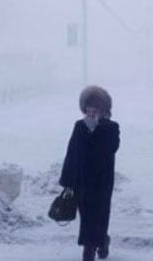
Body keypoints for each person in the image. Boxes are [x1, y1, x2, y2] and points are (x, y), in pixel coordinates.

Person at [59, 85, 120, 261]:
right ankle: (90, 248)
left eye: (95, 108)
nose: (91, 111)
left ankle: (98, 243)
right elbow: (72, 152)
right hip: (82, 181)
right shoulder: (79, 126)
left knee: (100, 214)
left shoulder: (111, 127)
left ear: (103, 109)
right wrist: (67, 180)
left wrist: (97, 129)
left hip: (102, 181)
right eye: (88, 108)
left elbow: (111, 148)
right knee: (87, 216)